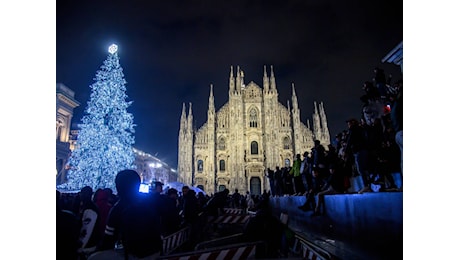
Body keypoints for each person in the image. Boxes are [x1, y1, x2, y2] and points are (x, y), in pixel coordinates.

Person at [97, 169, 162, 259]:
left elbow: (108, 240)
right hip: (155, 251)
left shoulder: (118, 208)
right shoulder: (150, 202)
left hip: (133, 255)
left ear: (118, 186)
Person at [77, 186, 101, 258]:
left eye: (82, 193)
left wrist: (81, 246)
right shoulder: (87, 207)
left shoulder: (89, 209)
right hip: (89, 245)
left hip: (87, 247)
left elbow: (87, 230)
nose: (80, 195)